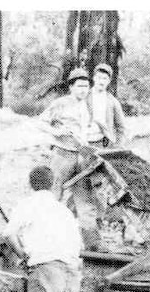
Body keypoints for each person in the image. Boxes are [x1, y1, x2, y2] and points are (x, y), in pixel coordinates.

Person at [38, 68, 103, 250]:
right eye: (80, 86)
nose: (83, 90)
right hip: (62, 156)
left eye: (86, 86)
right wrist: (57, 132)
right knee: (53, 196)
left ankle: (92, 244)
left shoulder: (87, 104)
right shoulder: (61, 103)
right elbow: (41, 122)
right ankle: (44, 238)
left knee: (86, 201)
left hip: (82, 157)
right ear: (71, 87)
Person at [87, 63, 126, 149]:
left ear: (109, 81)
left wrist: (118, 146)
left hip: (104, 144)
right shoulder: (84, 97)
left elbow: (121, 128)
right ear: (94, 78)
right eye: (99, 78)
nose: (101, 82)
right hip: (84, 144)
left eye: (105, 79)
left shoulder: (113, 102)